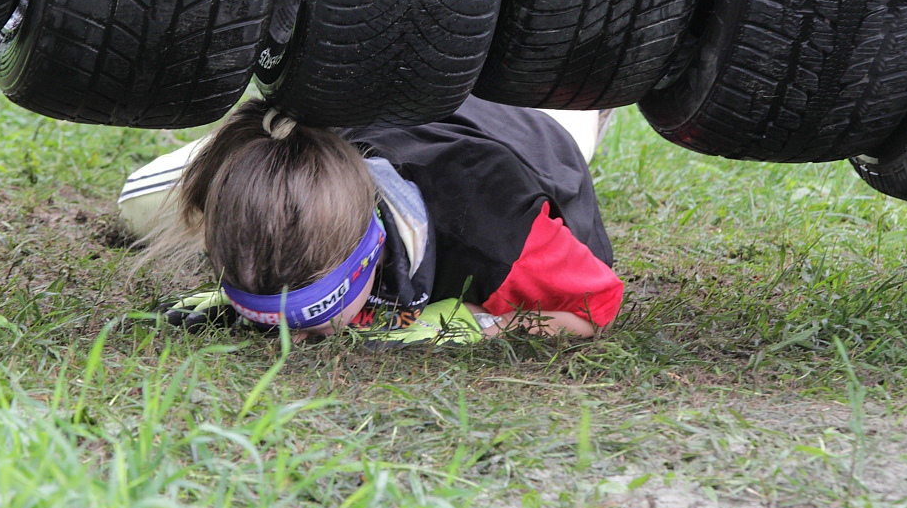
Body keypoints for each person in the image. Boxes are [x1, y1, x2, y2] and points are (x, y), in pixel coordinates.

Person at [123, 98, 623, 343]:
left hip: (531, 117)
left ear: (370, 253)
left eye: (308, 320)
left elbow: (593, 308)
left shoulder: (501, 237)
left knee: (575, 86)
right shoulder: (305, 154)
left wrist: (471, 326)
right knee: (135, 206)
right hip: (401, 108)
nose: (290, 344)